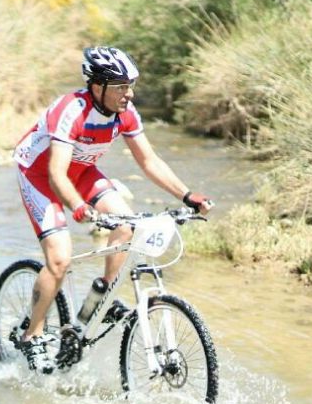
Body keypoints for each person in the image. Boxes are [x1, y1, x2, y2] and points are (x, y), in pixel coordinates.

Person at [13, 46, 213, 374]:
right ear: (97, 86)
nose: (129, 94)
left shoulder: (126, 113)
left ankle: (100, 300)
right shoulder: (70, 111)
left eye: (130, 85)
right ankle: (32, 334)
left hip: (83, 171)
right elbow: (56, 174)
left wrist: (187, 195)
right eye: (121, 86)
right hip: (40, 174)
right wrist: (78, 207)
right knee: (60, 259)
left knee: (126, 226)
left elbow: (148, 161)